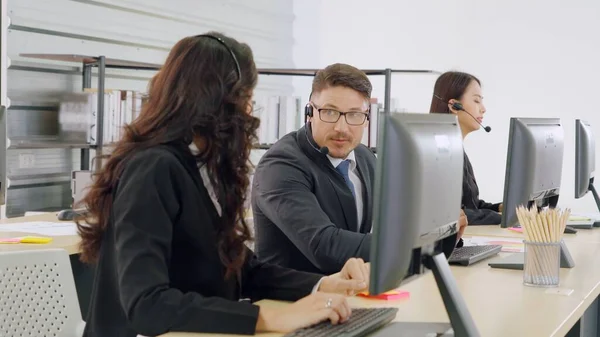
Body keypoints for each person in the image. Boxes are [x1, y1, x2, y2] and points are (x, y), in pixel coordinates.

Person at [75, 33, 371, 337]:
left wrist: (322, 285)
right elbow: (147, 305)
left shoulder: (199, 165)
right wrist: (264, 317)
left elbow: (241, 269)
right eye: (245, 100)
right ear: (216, 101)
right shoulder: (153, 167)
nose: (248, 114)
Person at [252, 63, 466, 275]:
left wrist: (439, 231)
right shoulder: (280, 165)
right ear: (310, 112)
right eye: (329, 112)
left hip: (351, 292)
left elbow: (397, 220)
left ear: (366, 119)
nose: (341, 128)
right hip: (294, 301)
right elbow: (324, 245)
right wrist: (413, 242)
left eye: (354, 115)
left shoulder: (364, 157)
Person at [430, 71, 502, 225]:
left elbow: (470, 207)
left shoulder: (456, 149)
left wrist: (500, 208)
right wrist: (504, 219)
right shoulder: (438, 154)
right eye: (476, 101)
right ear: (454, 106)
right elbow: (455, 214)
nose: (483, 109)